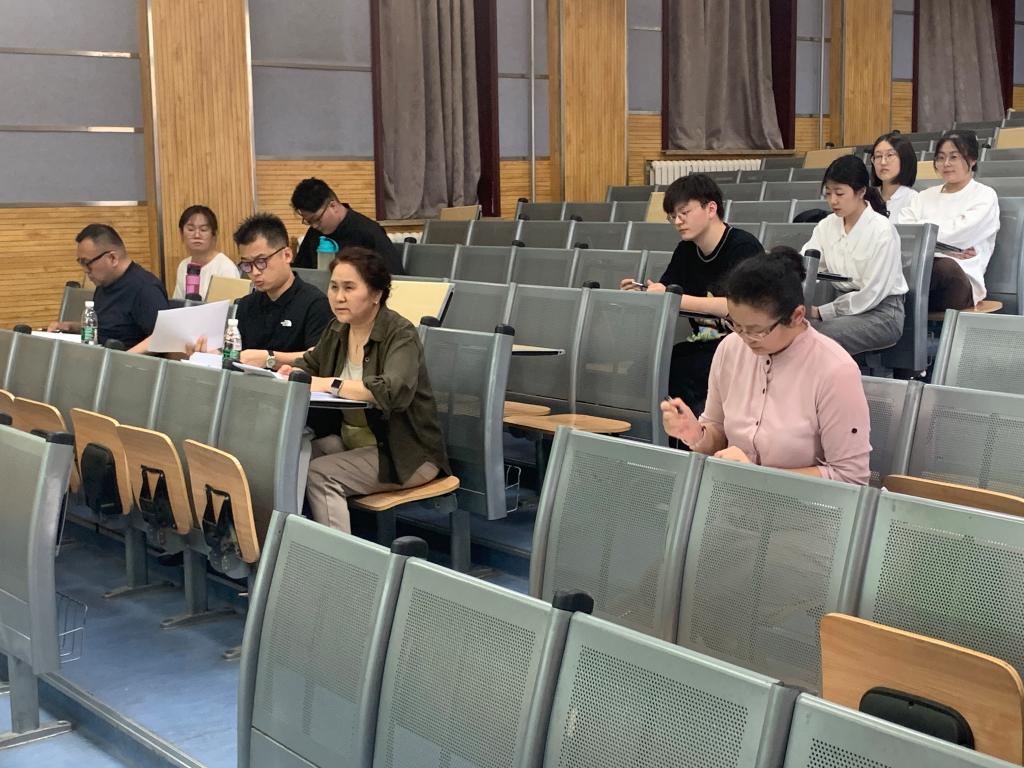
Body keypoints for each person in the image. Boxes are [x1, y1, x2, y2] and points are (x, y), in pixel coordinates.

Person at [661, 248, 871, 486]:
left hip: (800, 505)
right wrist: (696, 434)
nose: (745, 338)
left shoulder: (834, 370)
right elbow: (718, 433)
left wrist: (757, 476)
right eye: (735, 325)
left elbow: (850, 478)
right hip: (732, 494)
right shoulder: (730, 348)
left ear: (797, 316)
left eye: (757, 330)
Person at [277, 246, 449, 532]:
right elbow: (309, 364)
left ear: (376, 294)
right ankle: (286, 541)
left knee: (320, 474)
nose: (338, 297)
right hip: (354, 442)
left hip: (405, 453)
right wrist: (289, 371)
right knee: (290, 457)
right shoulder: (337, 329)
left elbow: (392, 390)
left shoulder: (400, 333)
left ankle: (336, 558)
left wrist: (331, 384)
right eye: (333, 287)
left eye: (349, 288)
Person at [620, 173, 761, 411]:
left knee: (680, 372)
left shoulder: (743, 246)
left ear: (711, 208)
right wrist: (644, 293)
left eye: (684, 213)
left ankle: (696, 432)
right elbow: (667, 292)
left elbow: (741, 306)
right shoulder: (686, 250)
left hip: (743, 346)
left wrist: (674, 298)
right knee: (643, 369)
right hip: (703, 344)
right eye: (672, 216)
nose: (677, 221)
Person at [801, 155, 908, 355]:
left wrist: (822, 311)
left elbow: (872, 293)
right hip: (844, 306)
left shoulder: (882, 230)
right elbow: (805, 265)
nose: (833, 200)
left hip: (881, 312)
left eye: (840, 193)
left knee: (816, 338)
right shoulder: (826, 225)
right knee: (791, 331)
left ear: (861, 192)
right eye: (828, 193)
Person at [898, 129, 1000, 311]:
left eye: (954, 157)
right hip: (919, 268)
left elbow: (959, 235)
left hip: (960, 279)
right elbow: (903, 230)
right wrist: (945, 248)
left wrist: (926, 234)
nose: (946, 164)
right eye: (940, 157)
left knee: (943, 267)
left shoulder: (984, 195)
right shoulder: (924, 196)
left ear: (972, 159)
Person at [231, 213, 334, 368]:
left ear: (287, 255)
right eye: (247, 264)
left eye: (261, 261)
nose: (255, 272)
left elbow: (320, 357)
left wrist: (270, 358)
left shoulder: (316, 304)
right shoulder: (246, 305)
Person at [47, 224, 168, 348]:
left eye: (87, 263)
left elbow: (163, 337)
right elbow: (105, 328)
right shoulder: (105, 283)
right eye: (81, 263)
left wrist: (125, 355)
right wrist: (70, 327)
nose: (85, 270)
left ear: (112, 258)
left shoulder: (145, 288)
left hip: (123, 358)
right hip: (99, 353)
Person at [290, 178, 404, 275]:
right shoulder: (314, 233)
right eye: (309, 221)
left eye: (317, 219)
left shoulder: (368, 232)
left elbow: (394, 277)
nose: (314, 226)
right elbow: (301, 271)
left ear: (333, 206)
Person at [171, 205, 238, 300]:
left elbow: (232, 306)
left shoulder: (225, 267)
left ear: (214, 234)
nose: (197, 235)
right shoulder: (184, 265)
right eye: (191, 229)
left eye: (203, 230)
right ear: (181, 233)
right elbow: (179, 303)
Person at [869, 132, 919, 221]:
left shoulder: (913, 200)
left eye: (890, 155)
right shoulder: (865, 198)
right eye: (878, 156)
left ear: (904, 159)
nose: (883, 162)